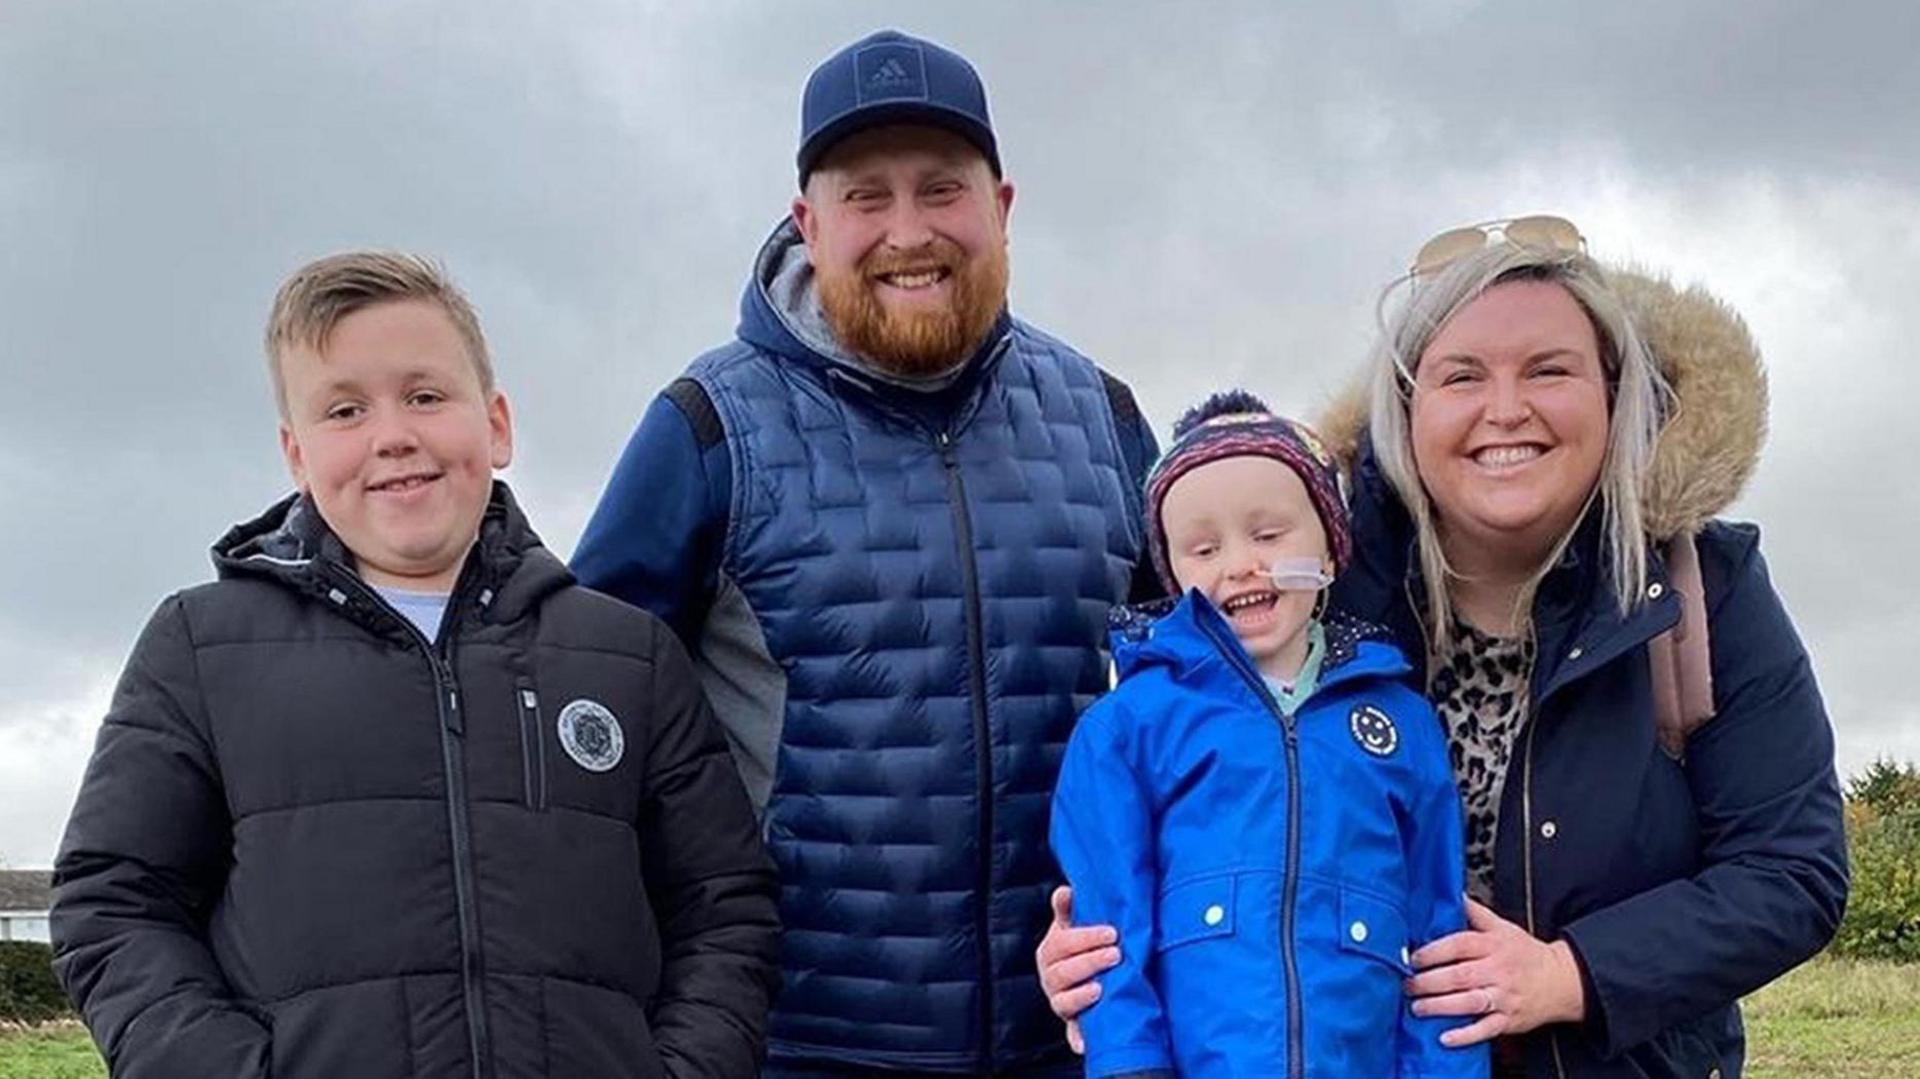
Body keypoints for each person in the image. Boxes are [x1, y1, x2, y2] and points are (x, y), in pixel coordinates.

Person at [1037, 218, 1848, 1077]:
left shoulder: (1698, 585)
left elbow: (1791, 872)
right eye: (1462, 375)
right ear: (1408, 404)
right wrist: (1113, 948)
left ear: (1615, 395)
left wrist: (1570, 973)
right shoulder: (1316, 592)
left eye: (1549, 369)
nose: (1506, 409)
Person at [571, 28, 1157, 1077]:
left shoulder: (1103, 419)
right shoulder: (709, 426)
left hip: (1076, 1040)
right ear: (808, 221)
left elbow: (1200, 700)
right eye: (865, 196)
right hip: (796, 1041)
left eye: (941, 190)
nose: (908, 232)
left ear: (1002, 207)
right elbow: (589, 730)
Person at [50, 252, 780, 1079]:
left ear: (496, 423)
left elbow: (724, 908)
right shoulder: (199, 646)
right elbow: (112, 901)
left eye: (425, 395)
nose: (392, 435)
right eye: (345, 409)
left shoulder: (630, 658)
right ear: (296, 455)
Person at [1050, 391, 1487, 1078]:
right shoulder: (1128, 728)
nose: (1238, 565)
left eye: (1268, 533)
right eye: (1202, 546)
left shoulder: (1402, 726)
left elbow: (1439, 936)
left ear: (1330, 547)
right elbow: (1111, 937)